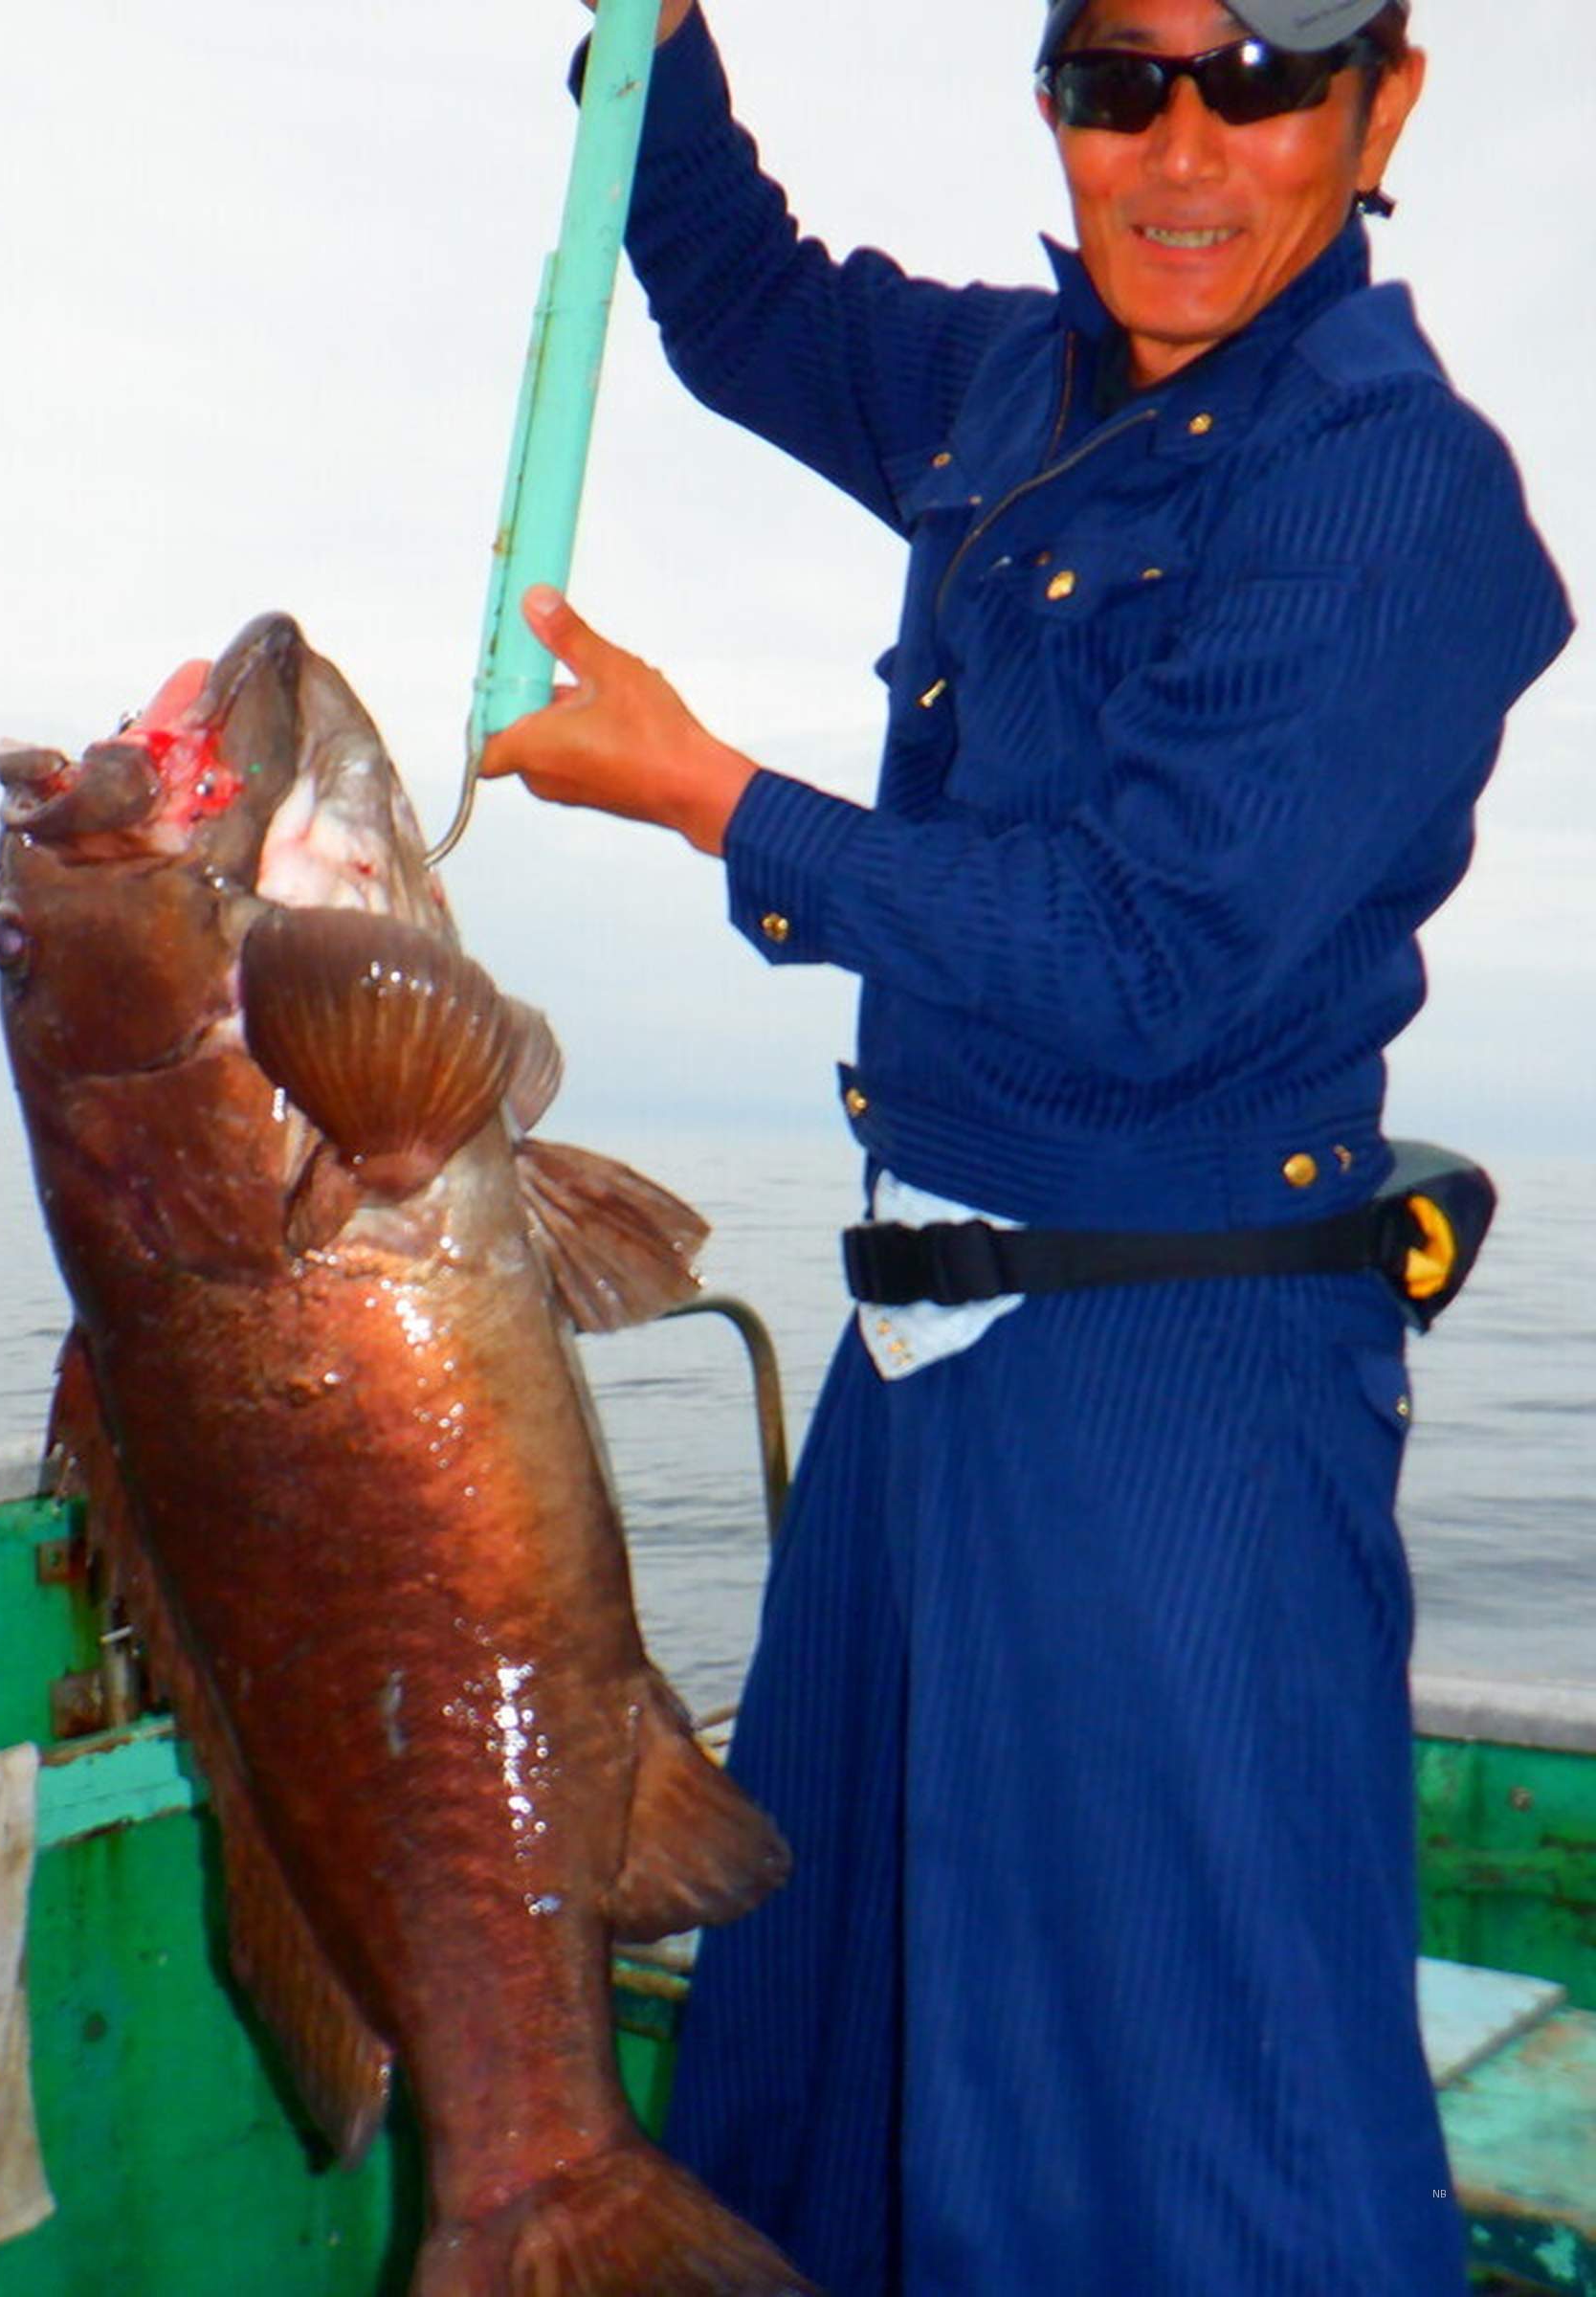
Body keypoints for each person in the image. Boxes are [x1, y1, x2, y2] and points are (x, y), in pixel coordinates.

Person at [478, 2, 1567, 2289]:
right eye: (1117, 80)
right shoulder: (1009, 386)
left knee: (1198, 2136)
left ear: (1383, 101)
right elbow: (741, 293)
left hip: (1173, 1389)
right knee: (826, 2058)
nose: (1182, 147)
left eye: (1257, 78)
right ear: (1055, 106)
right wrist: (653, 42)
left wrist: (720, 802)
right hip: (913, 1382)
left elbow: (1153, 953)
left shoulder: (1395, 487)